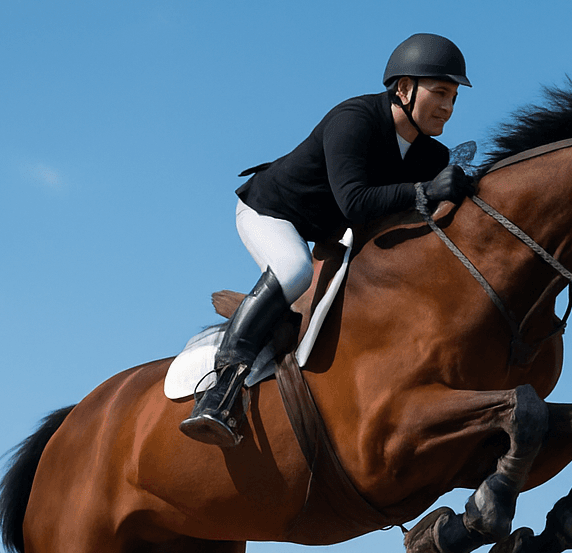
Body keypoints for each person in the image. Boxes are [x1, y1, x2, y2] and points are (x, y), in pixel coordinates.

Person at [180, 33, 475, 447]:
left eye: (454, 97)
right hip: (273, 211)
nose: (448, 106)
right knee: (293, 270)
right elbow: (355, 203)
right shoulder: (354, 119)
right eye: (440, 92)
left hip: (331, 232)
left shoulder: (432, 156)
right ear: (404, 89)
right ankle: (220, 391)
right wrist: (426, 192)